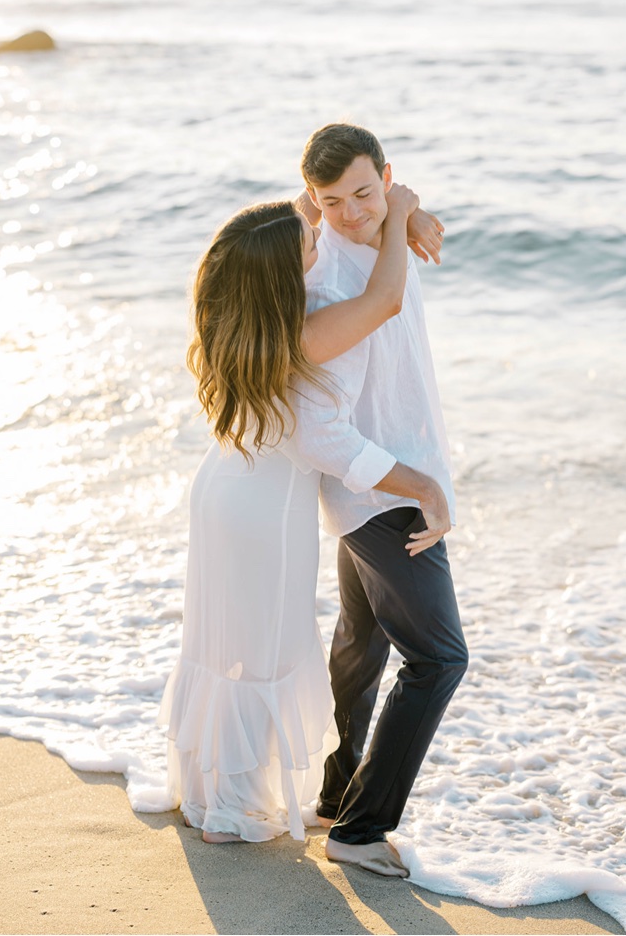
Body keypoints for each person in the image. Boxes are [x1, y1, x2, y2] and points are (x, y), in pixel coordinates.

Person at [162, 176, 443, 846]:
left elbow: (292, 212)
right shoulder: (299, 335)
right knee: (260, 651)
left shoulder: (235, 316)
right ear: (283, 274)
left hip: (222, 491)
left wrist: (355, 205)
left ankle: (210, 793)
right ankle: (229, 814)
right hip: (267, 513)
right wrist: (399, 210)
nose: (319, 229)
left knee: (217, 644)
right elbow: (384, 298)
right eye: (311, 237)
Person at [288, 123, 467, 879]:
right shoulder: (329, 280)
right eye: (333, 202)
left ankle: (334, 799)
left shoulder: (390, 220)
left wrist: (406, 209)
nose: (351, 211)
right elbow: (381, 302)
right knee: (440, 657)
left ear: (385, 176)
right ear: (313, 199)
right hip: (381, 489)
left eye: (364, 193)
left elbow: (392, 206)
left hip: (382, 480)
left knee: (362, 651)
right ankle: (361, 831)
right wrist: (421, 484)